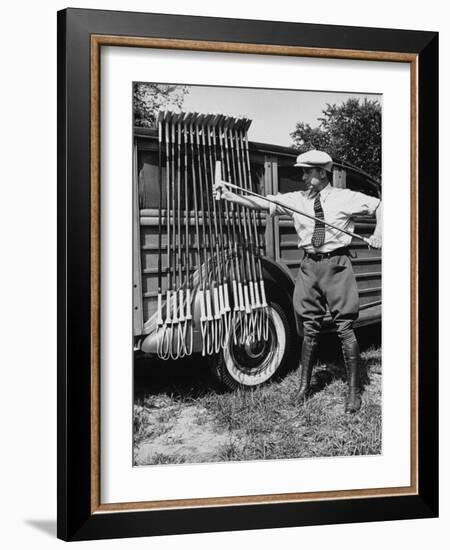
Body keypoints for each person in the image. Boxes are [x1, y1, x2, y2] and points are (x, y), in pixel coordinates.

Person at [214, 150, 382, 413]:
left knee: (345, 327)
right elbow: (261, 201)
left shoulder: (344, 197)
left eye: (307, 171)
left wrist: (378, 231)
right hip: (309, 267)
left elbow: (381, 206)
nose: (302, 176)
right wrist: (230, 196)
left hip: (336, 265)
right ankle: (304, 387)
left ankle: (353, 391)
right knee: (309, 327)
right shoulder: (297, 199)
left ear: (321, 173)